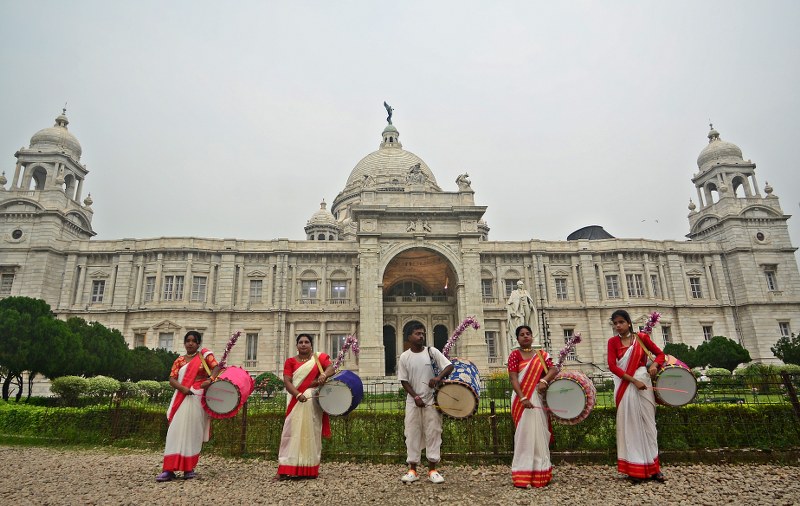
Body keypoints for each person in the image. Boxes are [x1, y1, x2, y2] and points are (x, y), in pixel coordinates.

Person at [607, 309, 667, 483]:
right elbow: (613, 366)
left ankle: (655, 468)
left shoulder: (641, 338)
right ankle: (636, 468)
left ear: (629, 323)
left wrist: (655, 365)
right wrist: (633, 381)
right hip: (627, 385)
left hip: (644, 383)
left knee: (649, 425)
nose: (618, 326)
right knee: (630, 426)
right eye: (615, 323)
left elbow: (660, 354)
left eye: (621, 322)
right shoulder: (612, 342)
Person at [156, 331, 220, 482]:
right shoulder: (179, 360)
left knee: (193, 431)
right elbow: (172, 378)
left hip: (197, 397)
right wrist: (183, 389)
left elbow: (216, 367)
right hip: (182, 396)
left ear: (198, 343)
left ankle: (188, 468)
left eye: (194, 341)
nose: (190, 343)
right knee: (174, 431)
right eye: (188, 341)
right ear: (184, 343)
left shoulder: (204, 356)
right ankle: (168, 469)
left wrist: (210, 380)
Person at [398, 323, 454, 484]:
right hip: (413, 401)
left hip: (431, 400)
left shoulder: (432, 351)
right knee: (411, 433)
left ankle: (432, 469)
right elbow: (404, 381)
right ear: (409, 337)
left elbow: (449, 366)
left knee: (433, 432)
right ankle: (412, 469)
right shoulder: (404, 357)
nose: (421, 336)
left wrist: (438, 378)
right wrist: (415, 396)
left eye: (422, 333)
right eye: (417, 334)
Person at [275, 334, 335, 480]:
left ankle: (309, 469)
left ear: (311, 345)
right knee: (289, 434)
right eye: (300, 342)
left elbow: (331, 368)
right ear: (296, 346)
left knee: (311, 434)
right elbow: (287, 381)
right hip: (295, 401)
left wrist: (324, 375)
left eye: (306, 342)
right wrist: (297, 395)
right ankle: (285, 468)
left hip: (312, 404)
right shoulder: (290, 362)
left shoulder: (318, 359)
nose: (303, 344)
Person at [508, 325, 559, 488]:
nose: (525, 336)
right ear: (517, 339)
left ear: (532, 336)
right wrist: (523, 397)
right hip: (521, 400)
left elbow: (553, 369)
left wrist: (544, 380)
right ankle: (522, 473)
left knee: (539, 435)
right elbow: (514, 378)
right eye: (521, 334)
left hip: (537, 398)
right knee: (524, 435)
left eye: (528, 333)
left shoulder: (541, 355)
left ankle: (541, 473)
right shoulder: (514, 355)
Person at [506, 281, 540, 347]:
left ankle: (528, 333)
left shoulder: (526, 292)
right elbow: (510, 301)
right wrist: (512, 309)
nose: (521, 285)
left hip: (526, 307)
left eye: (522, 284)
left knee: (527, 321)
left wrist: (530, 304)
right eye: (520, 284)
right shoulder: (514, 292)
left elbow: (529, 300)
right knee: (521, 322)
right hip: (519, 309)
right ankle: (520, 336)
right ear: (517, 285)